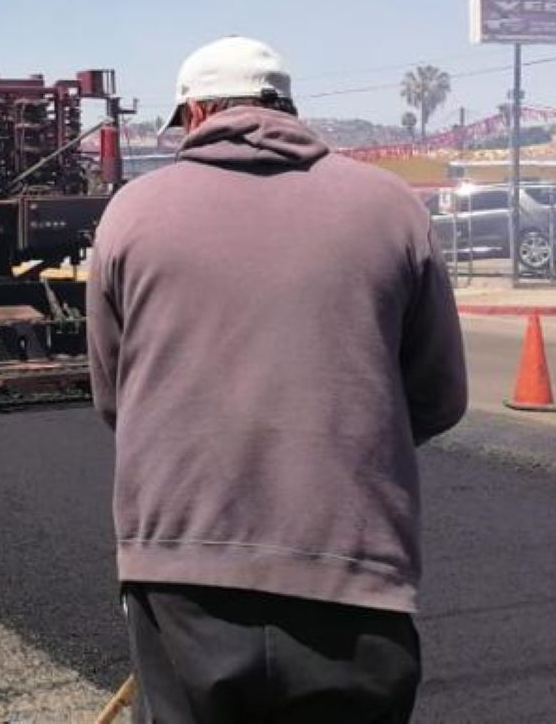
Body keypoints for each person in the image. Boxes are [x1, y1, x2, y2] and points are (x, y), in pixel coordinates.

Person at [89, 36, 467, 723]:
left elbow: (116, 396)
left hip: (180, 573)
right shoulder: (392, 207)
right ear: (287, 106)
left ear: (196, 112)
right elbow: (439, 398)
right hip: (355, 571)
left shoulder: (132, 213)